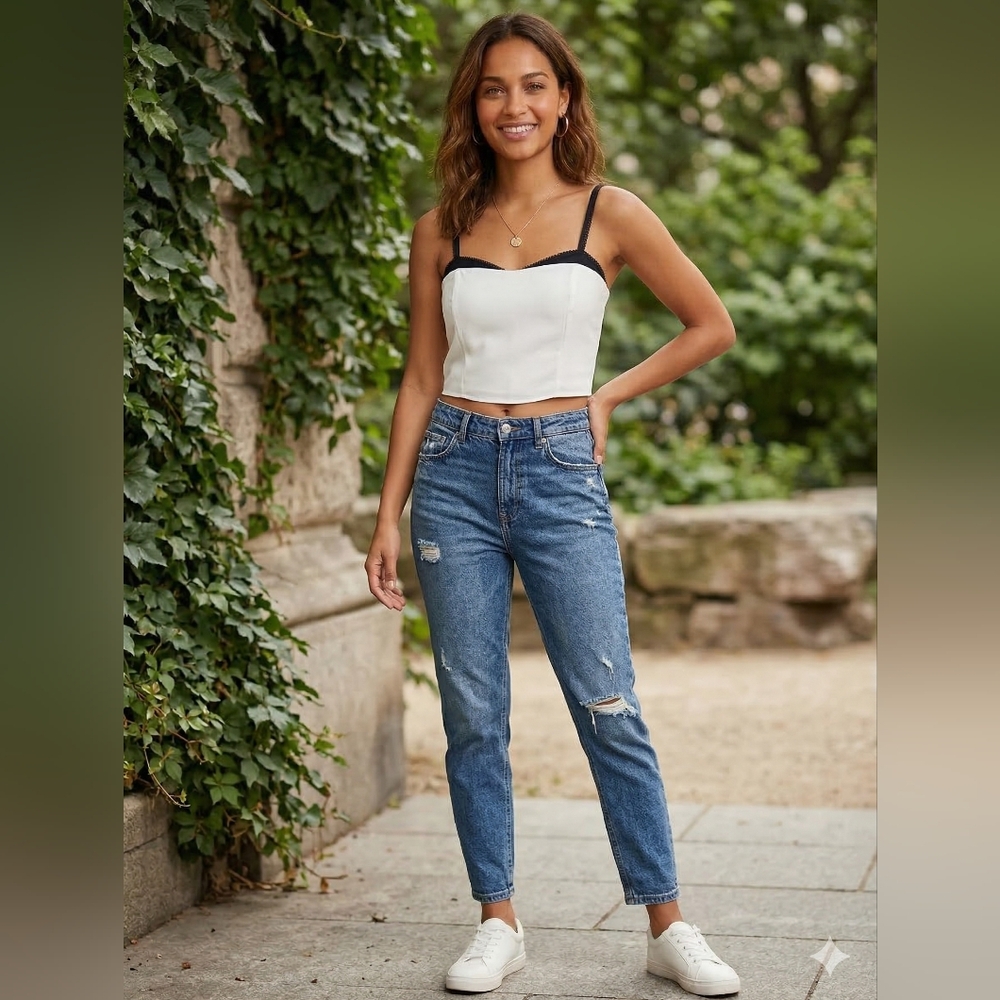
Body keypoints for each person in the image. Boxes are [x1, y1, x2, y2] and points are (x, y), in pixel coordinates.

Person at [365, 12, 740, 998]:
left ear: (563, 97)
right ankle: (498, 919)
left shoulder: (607, 213)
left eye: (534, 85)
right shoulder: (439, 230)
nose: (514, 105)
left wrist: (604, 395)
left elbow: (710, 324)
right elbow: (419, 376)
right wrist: (385, 514)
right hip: (451, 471)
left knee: (607, 701)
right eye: (494, 89)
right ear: (472, 106)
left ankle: (667, 922)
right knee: (474, 714)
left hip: (559, 465)